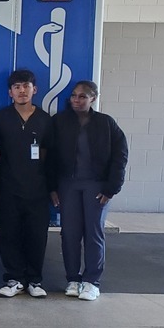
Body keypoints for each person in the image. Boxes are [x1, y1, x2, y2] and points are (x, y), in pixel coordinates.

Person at [49, 80, 128, 301]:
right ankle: (73, 279)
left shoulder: (106, 123)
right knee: (70, 234)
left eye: (82, 96)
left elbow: (120, 157)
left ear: (93, 98)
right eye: (74, 96)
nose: (76, 99)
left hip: (97, 186)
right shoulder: (60, 122)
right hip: (67, 185)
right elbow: (51, 157)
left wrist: (111, 188)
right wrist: (52, 187)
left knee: (93, 233)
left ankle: (92, 281)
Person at [0, 69, 54, 298]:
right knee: (9, 235)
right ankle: (14, 279)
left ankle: (35, 280)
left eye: (26, 86)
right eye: (17, 87)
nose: (22, 91)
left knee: (37, 236)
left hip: (38, 190)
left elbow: (51, 156)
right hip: (9, 189)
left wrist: (52, 188)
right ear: (10, 92)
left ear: (34, 89)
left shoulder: (46, 120)